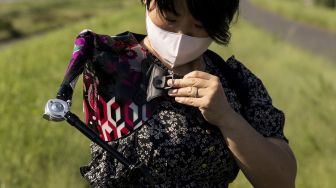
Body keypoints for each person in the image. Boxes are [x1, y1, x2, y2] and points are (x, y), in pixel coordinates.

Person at [69, 0, 297, 187]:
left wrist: (227, 118)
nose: (180, 36)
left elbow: (282, 181)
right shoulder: (110, 63)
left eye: (198, 26)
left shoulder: (237, 81)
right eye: (170, 19)